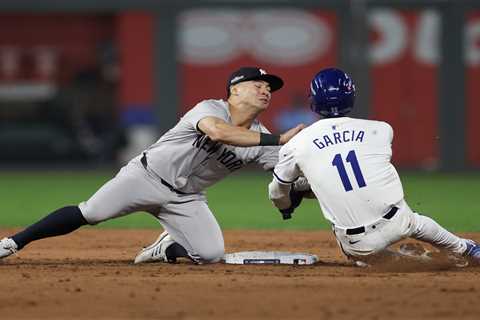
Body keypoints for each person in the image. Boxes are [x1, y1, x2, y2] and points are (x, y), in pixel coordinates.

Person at [0, 66, 304, 264]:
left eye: (269, 88)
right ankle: (13, 243)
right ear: (235, 90)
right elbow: (218, 132)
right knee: (90, 212)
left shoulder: (263, 137)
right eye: (257, 84)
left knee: (211, 255)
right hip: (144, 177)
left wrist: (314, 188)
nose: (265, 90)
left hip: (187, 199)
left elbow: (288, 176)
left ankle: (165, 248)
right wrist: (277, 140)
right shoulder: (210, 108)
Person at [267, 67, 480, 266]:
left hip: (357, 243)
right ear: (351, 95)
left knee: (357, 251)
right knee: (417, 222)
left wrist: (286, 205)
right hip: (399, 221)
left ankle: (417, 262)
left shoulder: (296, 144)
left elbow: (277, 192)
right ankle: (466, 249)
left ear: (313, 101)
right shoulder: (381, 130)